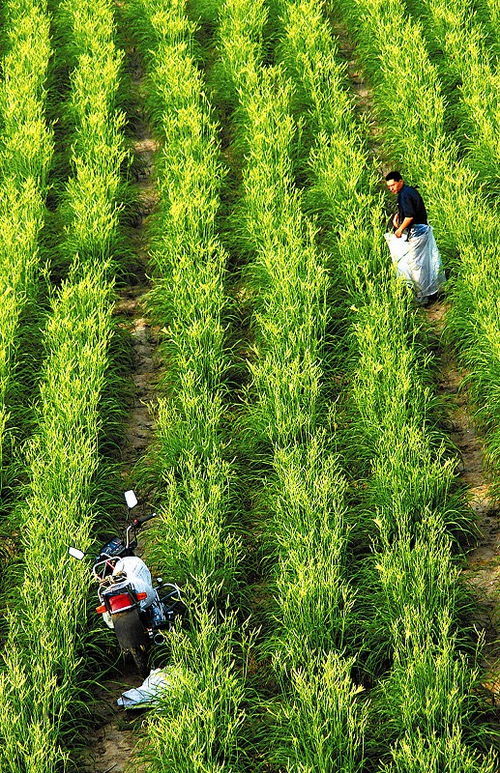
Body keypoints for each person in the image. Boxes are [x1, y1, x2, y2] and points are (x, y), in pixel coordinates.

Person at [384, 170, 445, 305]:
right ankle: (432, 291)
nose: (391, 189)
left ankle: (423, 296)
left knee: (416, 264)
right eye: (389, 187)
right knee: (425, 262)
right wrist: (398, 219)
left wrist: (399, 229)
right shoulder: (409, 191)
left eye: (393, 185)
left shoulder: (404, 195)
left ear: (401, 181)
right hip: (422, 230)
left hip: (418, 233)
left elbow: (410, 216)